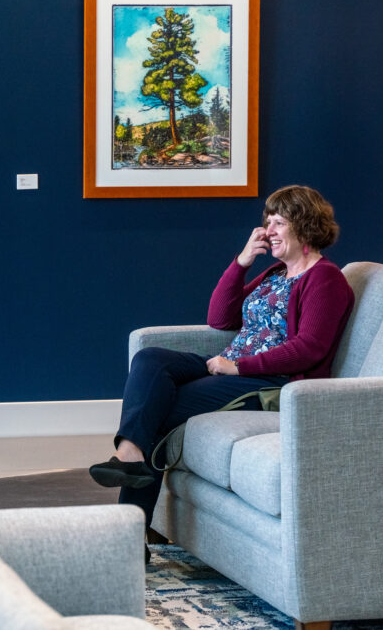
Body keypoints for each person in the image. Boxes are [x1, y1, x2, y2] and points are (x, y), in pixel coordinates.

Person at [89, 185, 355, 557]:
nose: (269, 230)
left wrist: (239, 366)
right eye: (268, 221)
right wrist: (243, 262)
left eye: (279, 222)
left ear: (305, 226)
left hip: (267, 383)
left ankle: (126, 541)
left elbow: (309, 349)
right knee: (149, 359)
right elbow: (220, 317)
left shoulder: (325, 280)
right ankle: (130, 455)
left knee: (158, 410)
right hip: (229, 367)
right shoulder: (277, 273)